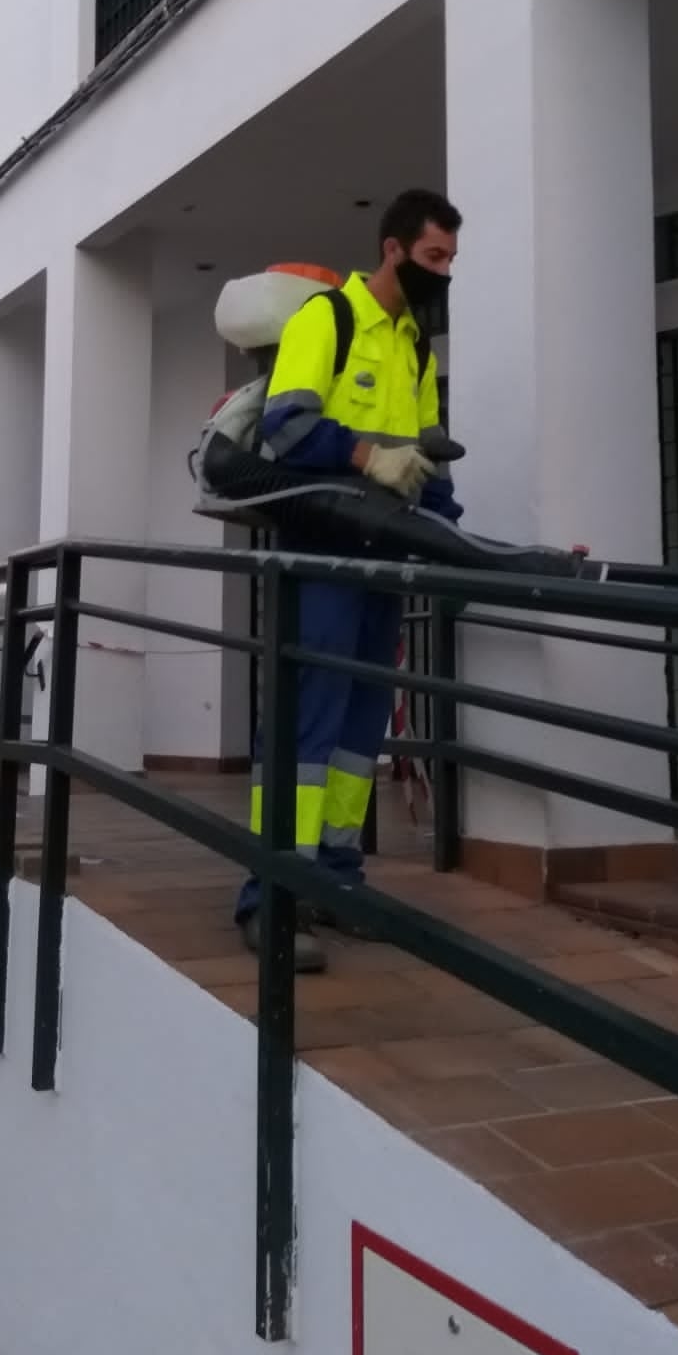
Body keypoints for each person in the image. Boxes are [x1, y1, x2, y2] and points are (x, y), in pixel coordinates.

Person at [235, 189, 463, 971]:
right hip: (322, 555)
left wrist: (461, 540)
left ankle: (336, 879)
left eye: (451, 262)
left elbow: (427, 466)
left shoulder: (416, 347)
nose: (444, 273)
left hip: (384, 560)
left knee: (360, 735)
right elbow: (287, 425)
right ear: (394, 250)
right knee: (307, 724)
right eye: (435, 258)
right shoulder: (327, 321)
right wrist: (371, 456)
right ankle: (271, 893)